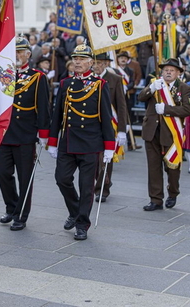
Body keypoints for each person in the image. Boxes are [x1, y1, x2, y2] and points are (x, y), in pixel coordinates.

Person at [47, 44, 115, 241]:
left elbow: (106, 116)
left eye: (81, 58)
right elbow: (57, 113)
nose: (77, 61)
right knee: (62, 179)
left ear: (90, 62)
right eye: (75, 58)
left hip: (91, 143)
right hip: (68, 141)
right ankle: (75, 210)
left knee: (86, 187)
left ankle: (82, 223)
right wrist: (52, 141)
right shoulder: (66, 84)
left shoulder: (99, 85)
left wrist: (109, 146)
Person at [0, 35, 50, 231]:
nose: (17, 55)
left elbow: (43, 107)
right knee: (2, 173)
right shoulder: (3, 76)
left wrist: (44, 134)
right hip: (5, 134)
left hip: (25, 135)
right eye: (14, 51)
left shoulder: (37, 77)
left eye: (20, 51)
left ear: (28, 54)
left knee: (25, 176)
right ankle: (11, 207)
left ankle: (21, 215)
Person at [138, 58, 190, 211]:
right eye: (165, 70)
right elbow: (140, 97)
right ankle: (156, 199)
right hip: (152, 132)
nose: (168, 72)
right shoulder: (155, 83)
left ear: (178, 73)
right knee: (153, 168)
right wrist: (151, 89)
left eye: (172, 70)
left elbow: (188, 109)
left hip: (171, 133)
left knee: (173, 168)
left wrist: (168, 109)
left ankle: (173, 192)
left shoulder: (183, 88)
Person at [92, 52, 128, 202]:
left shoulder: (115, 79)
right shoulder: (89, 79)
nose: (97, 66)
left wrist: (121, 130)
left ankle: (102, 189)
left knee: (106, 158)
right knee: (93, 159)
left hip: (109, 124)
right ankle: (102, 180)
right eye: (95, 63)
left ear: (106, 64)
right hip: (91, 124)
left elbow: (121, 106)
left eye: (100, 63)